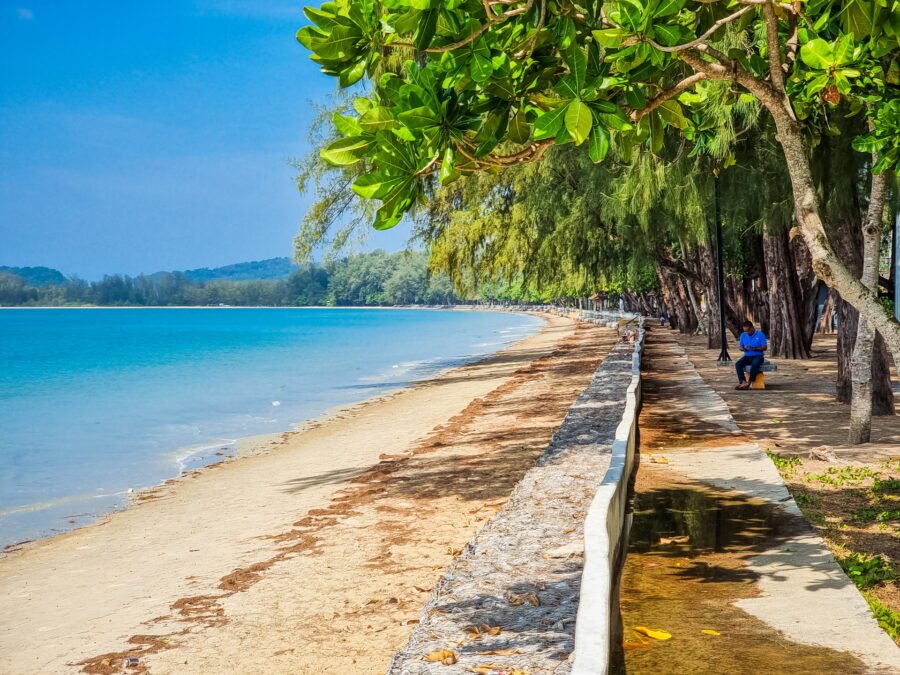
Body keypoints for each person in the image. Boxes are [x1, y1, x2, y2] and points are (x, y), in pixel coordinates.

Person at [735, 319, 767, 390]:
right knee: (738, 364)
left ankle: (749, 382)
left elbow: (765, 347)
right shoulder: (743, 335)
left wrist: (754, 348)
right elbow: (740, 347)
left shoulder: (760, 334)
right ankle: (743, 382)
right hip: (747, 356)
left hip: (758, 356)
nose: (747, 333)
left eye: (748, 331)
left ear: (752, 328)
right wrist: (744, 349)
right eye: (745, 331)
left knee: (755, 364)